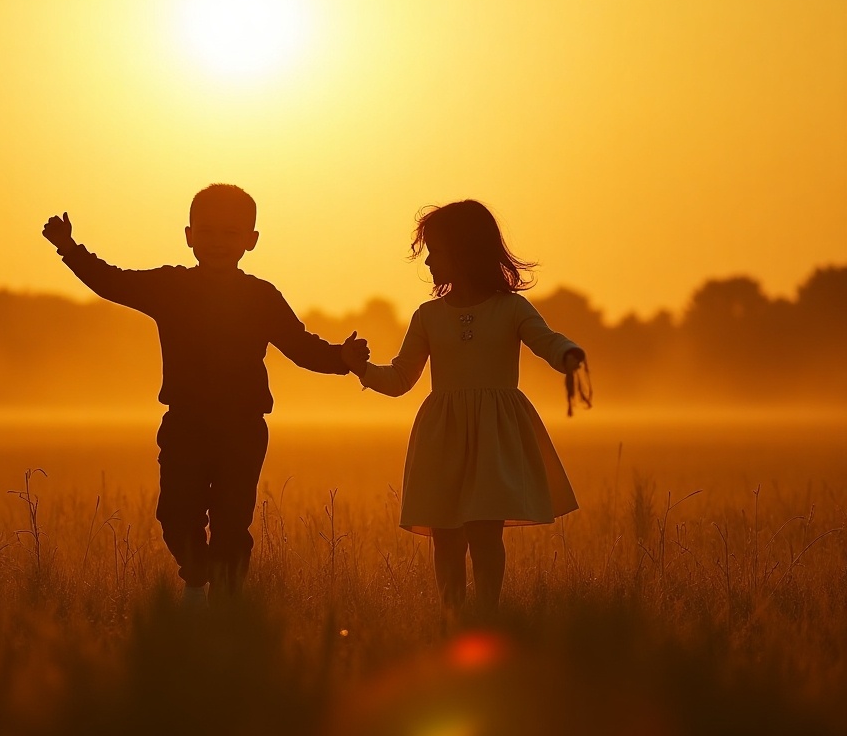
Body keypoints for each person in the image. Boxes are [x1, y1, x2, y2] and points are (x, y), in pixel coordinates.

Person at [42, 185, 368, 607]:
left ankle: (228, 601)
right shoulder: (170, 286)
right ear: (189, 234)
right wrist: (69, 248)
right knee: (177, 515)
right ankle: (195, 583)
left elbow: (301, 346)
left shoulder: (261, 297)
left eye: (231, 234)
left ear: (251, 240)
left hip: (242, 429)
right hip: (185, 425)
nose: (218, 242)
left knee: (233, 521)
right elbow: (113, 282)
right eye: (208, 231)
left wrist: (342, 357)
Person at [341, 200, 585, 618]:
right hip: (442, 437)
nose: (430, 261)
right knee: (446, 534)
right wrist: (360, 368)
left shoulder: (511, 308)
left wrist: (569, 354)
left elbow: (546, 340)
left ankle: (488, 614)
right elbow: (400, 379)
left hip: (495, 436)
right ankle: (452, 614)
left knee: (485, 532)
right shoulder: (428, 316)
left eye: (436, 250)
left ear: (467, 250)